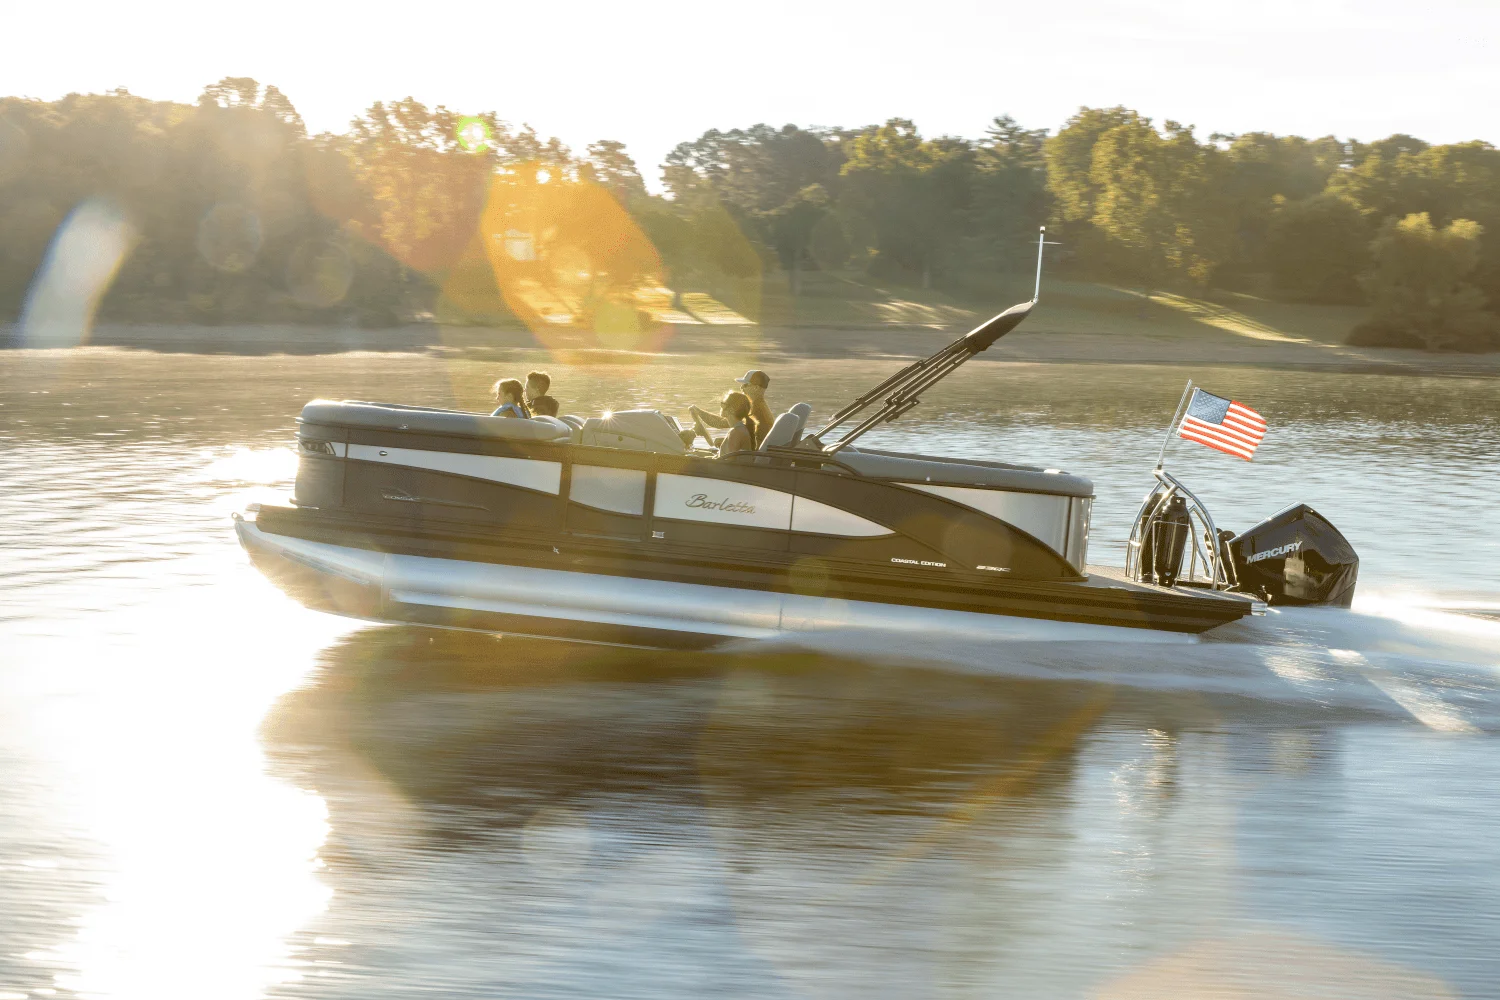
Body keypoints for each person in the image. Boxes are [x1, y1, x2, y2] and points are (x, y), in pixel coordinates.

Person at [690, 370, 773, 447]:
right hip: (754, 451)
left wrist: (698, 411)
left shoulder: (754, 409)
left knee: (717, 441)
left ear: (756, 388)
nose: (741, 388)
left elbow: (720, 423)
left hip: (754, 455)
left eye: (745, 385)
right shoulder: (757, 406)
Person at [696, 391, 757, 458]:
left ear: (731, 410)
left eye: (723, 404)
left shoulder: (736, 432)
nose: (721, 406)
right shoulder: (740, 429)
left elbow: (728, 461)